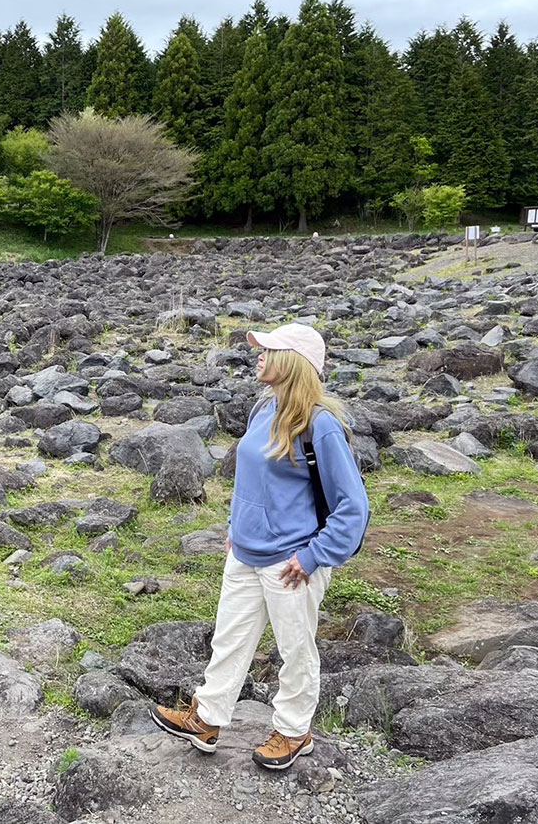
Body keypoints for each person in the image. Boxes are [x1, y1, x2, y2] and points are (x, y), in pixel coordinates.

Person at [151, 322, 369, 771]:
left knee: (295, 650)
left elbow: (354, 506)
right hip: (245, 553)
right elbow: (248, 477)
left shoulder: (320, 425)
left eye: (268, 350)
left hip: (291, 562)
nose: (258, 355)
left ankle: (294, 731)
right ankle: (207, 720)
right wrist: (236, 525)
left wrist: (311, 557)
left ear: (291, 361)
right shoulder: (262, 409)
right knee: (228, 639)